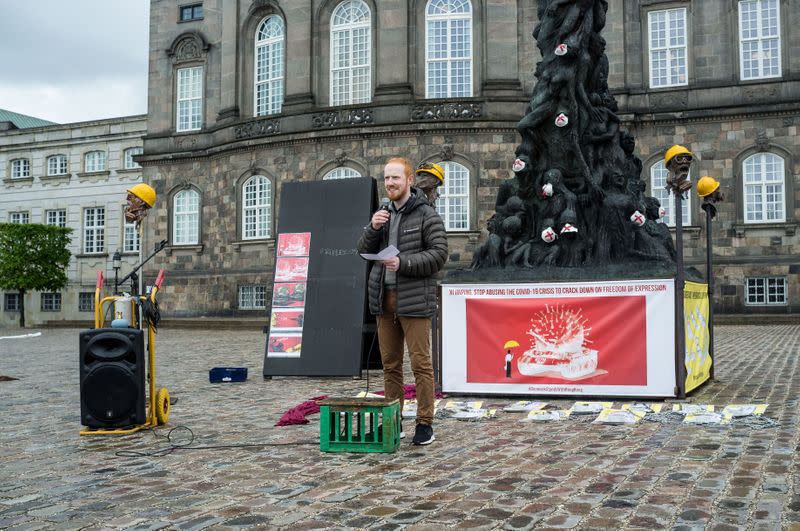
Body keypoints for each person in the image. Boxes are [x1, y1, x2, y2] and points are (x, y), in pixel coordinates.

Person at [357, 156, 448, 445]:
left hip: (415, 302)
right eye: (386, 178)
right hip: (384, 303)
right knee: (390, 366)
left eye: (395, 178)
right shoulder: (382, 214)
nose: (390, 183)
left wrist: (403, 262)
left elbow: (438, 254)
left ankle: (424, 423)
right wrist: (372, 227)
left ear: (409, 180)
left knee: (421, 365)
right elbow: (361, 250)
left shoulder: (426, 215)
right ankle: (392, 423)